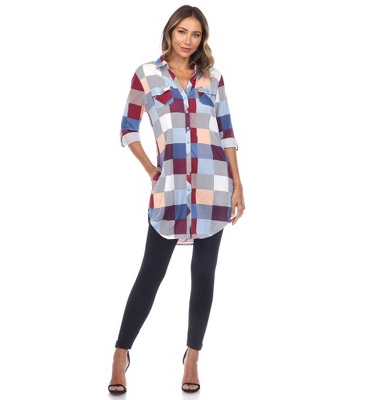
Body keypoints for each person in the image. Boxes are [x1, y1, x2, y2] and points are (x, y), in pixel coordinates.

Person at [108, 4, 245, 395]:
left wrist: (238, 185)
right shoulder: (146, 75)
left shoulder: (213, 78)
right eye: (182, 32)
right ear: (170, 32)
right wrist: (151, 169)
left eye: (196, 34)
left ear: (203, 39)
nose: (188, 40)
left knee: (204, 275)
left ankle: (192, 357)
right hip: (169, 189)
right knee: (150, 274)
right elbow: (128, 129)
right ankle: (120, 354)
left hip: (213, 186)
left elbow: (227, 133)